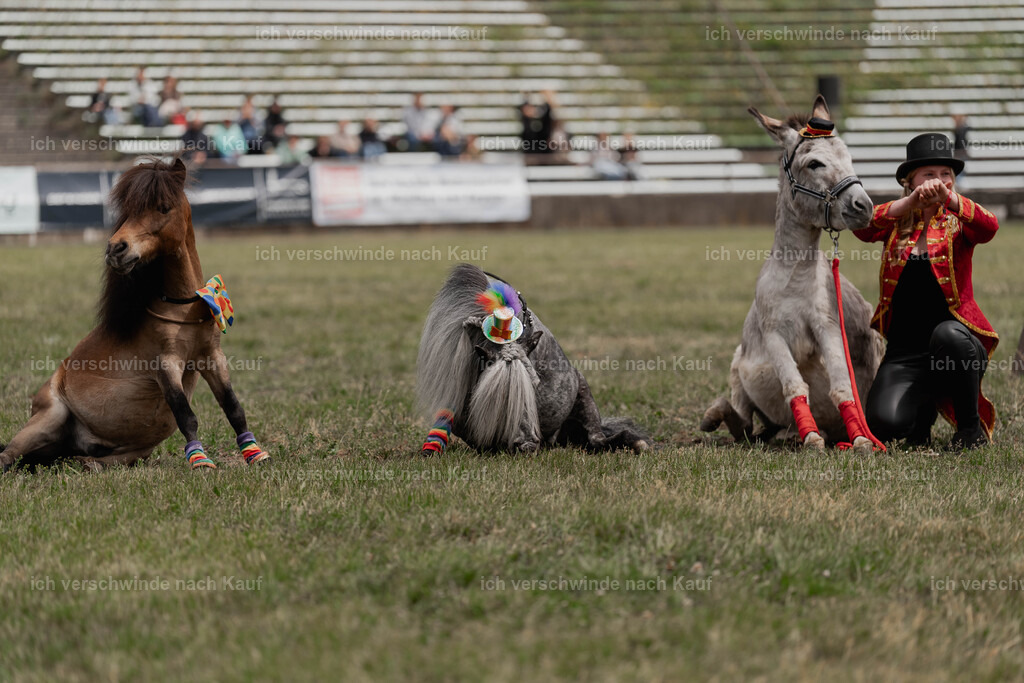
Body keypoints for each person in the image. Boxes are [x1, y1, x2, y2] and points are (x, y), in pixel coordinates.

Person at [854, 132, 999, 450]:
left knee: (947, 335)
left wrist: (951, 201)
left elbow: (990, 226)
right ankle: (921, 419)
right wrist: (908, 204)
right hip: (905, 352)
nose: (939, 180)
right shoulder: (896, 222)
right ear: (910, 180)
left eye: (946, 174)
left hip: (956, 346)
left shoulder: (959, 221)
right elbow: (861, 225)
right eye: (929, 174)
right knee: (884, 425)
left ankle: (970, 430)